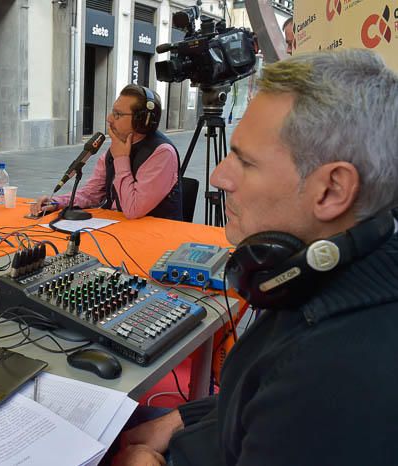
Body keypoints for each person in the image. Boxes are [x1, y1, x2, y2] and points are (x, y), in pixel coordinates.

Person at [109, 49, 398, 466]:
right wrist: (178, 418)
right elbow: (253, 400)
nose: (218, 176)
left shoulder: (334, 379)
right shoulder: (335, 265)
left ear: (332, 190)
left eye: (244, 160)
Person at [31, 85, 182, 220]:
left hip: (154, 238)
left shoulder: (162, 153)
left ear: (142, 121)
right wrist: (58, 202)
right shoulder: (117, 147)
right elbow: (92, 193)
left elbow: (133, 209)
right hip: (118, 228)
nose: (109, 119)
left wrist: (121, 159)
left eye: (118, 114)